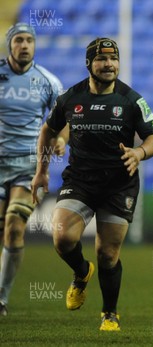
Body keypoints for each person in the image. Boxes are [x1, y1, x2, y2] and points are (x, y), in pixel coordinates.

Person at [31, 38, 153, 331]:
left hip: (119, 184)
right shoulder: (70, 98)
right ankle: (81, 272)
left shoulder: (132, 100)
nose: (109, 65)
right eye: (102, 59)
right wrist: (41, 171)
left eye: (114, 59)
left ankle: (109, 313)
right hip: (80, 180)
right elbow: (48, 132)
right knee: (62, 237)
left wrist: (139, 152)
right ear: (89, 63)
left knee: (107, 253)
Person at [0, 23, 63, 316]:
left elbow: (64, 122)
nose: (24, 45)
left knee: (14, 227)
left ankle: (1, 299)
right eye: (19, 40)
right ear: (10, 45)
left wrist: (61, 139)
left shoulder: (48, 82)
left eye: (29, 40)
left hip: (27, 165)